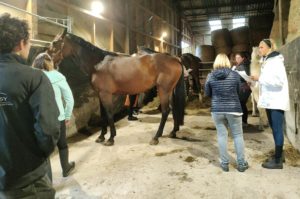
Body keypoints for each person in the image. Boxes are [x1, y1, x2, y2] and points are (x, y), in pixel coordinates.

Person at [0, 13, 60, 198]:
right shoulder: (34, 77)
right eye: (29, 42)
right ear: (20, 43)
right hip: (28, 180)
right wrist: (38, 159)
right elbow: (48, 131)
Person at [33, 52, 75, 177]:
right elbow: (69, 99)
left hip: (39, 119)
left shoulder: (32, 77)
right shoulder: (58, 76)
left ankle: (48, 180)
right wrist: (67, 116)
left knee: (44, 152)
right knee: (62, 145)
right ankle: (66, 168)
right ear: (50, 62)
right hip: (57, 118)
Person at [205, 53, 248, 172]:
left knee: (221, 136)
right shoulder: (235, 74)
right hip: (234, 109)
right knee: (238, 136)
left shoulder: (210, 76)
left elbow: (207, 93)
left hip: (217, 110)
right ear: (228, 62)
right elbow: (240, 92)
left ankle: (224, 163)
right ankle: (241, 164)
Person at [250, 39, 289, 169]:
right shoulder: (267, 62)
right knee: (274, 129)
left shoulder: (276, 62)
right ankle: (280, 155)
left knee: (277, 129)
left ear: (269, 48)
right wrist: (254, 82)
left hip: (276, 101)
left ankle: (278, 161)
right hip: (270, 101)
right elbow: (266, 82)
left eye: (261, 47)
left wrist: (260, 78)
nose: (259, 50)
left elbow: (278, 82)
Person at [234, 52, 252, 127]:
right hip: (242, 87)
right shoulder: (239, 65)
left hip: (244, 88)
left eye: (239, 58)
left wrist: (235, 73)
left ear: (243, 58)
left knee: (242, 104)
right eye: (236, 58)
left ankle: (244, 121)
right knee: (242, 104)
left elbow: (245, 76)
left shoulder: (244, 66)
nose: (237, 59)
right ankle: (243, 121)